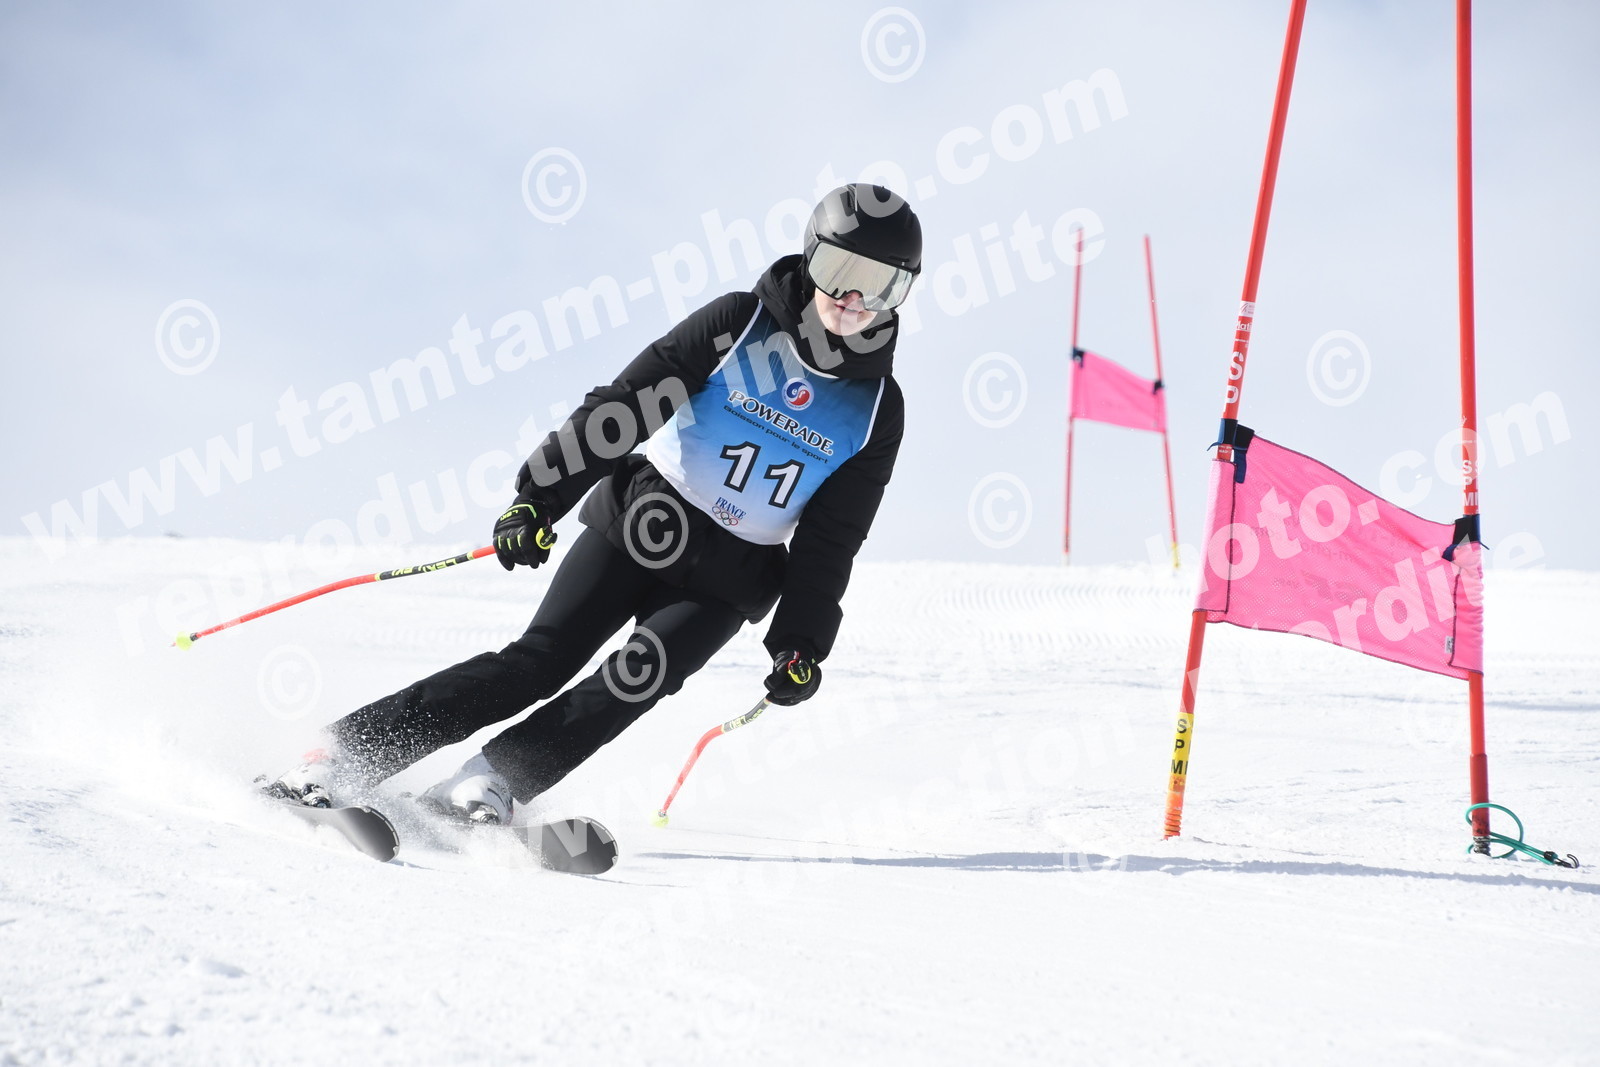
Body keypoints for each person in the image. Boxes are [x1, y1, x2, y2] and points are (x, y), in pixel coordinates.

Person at [268, 183, 922, 823]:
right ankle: (342, 753)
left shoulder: (876, 410)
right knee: (537, 663)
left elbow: (832, 538)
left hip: (730, 580)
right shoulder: (738, 324)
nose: (854, 299)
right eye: (841, 272)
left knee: (632, 682)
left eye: (882, 285)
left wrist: (800, 642)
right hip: (645, 522)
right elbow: (626, 406)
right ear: (810, 257)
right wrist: (539, 498)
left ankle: (490, 782)